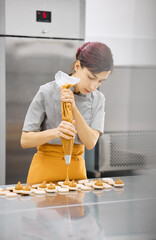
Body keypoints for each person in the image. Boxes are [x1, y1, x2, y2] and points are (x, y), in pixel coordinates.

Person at [20, 42, 113, 184]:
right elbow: (25, 140)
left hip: (77, 177)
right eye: (91, 77)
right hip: (43, 175)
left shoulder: (98, 99)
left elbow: (90, 143)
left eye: (100, 81)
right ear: (77, 66)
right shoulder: (47, 91)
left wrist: (74, 108)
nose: (93, 86)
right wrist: (56, 132)